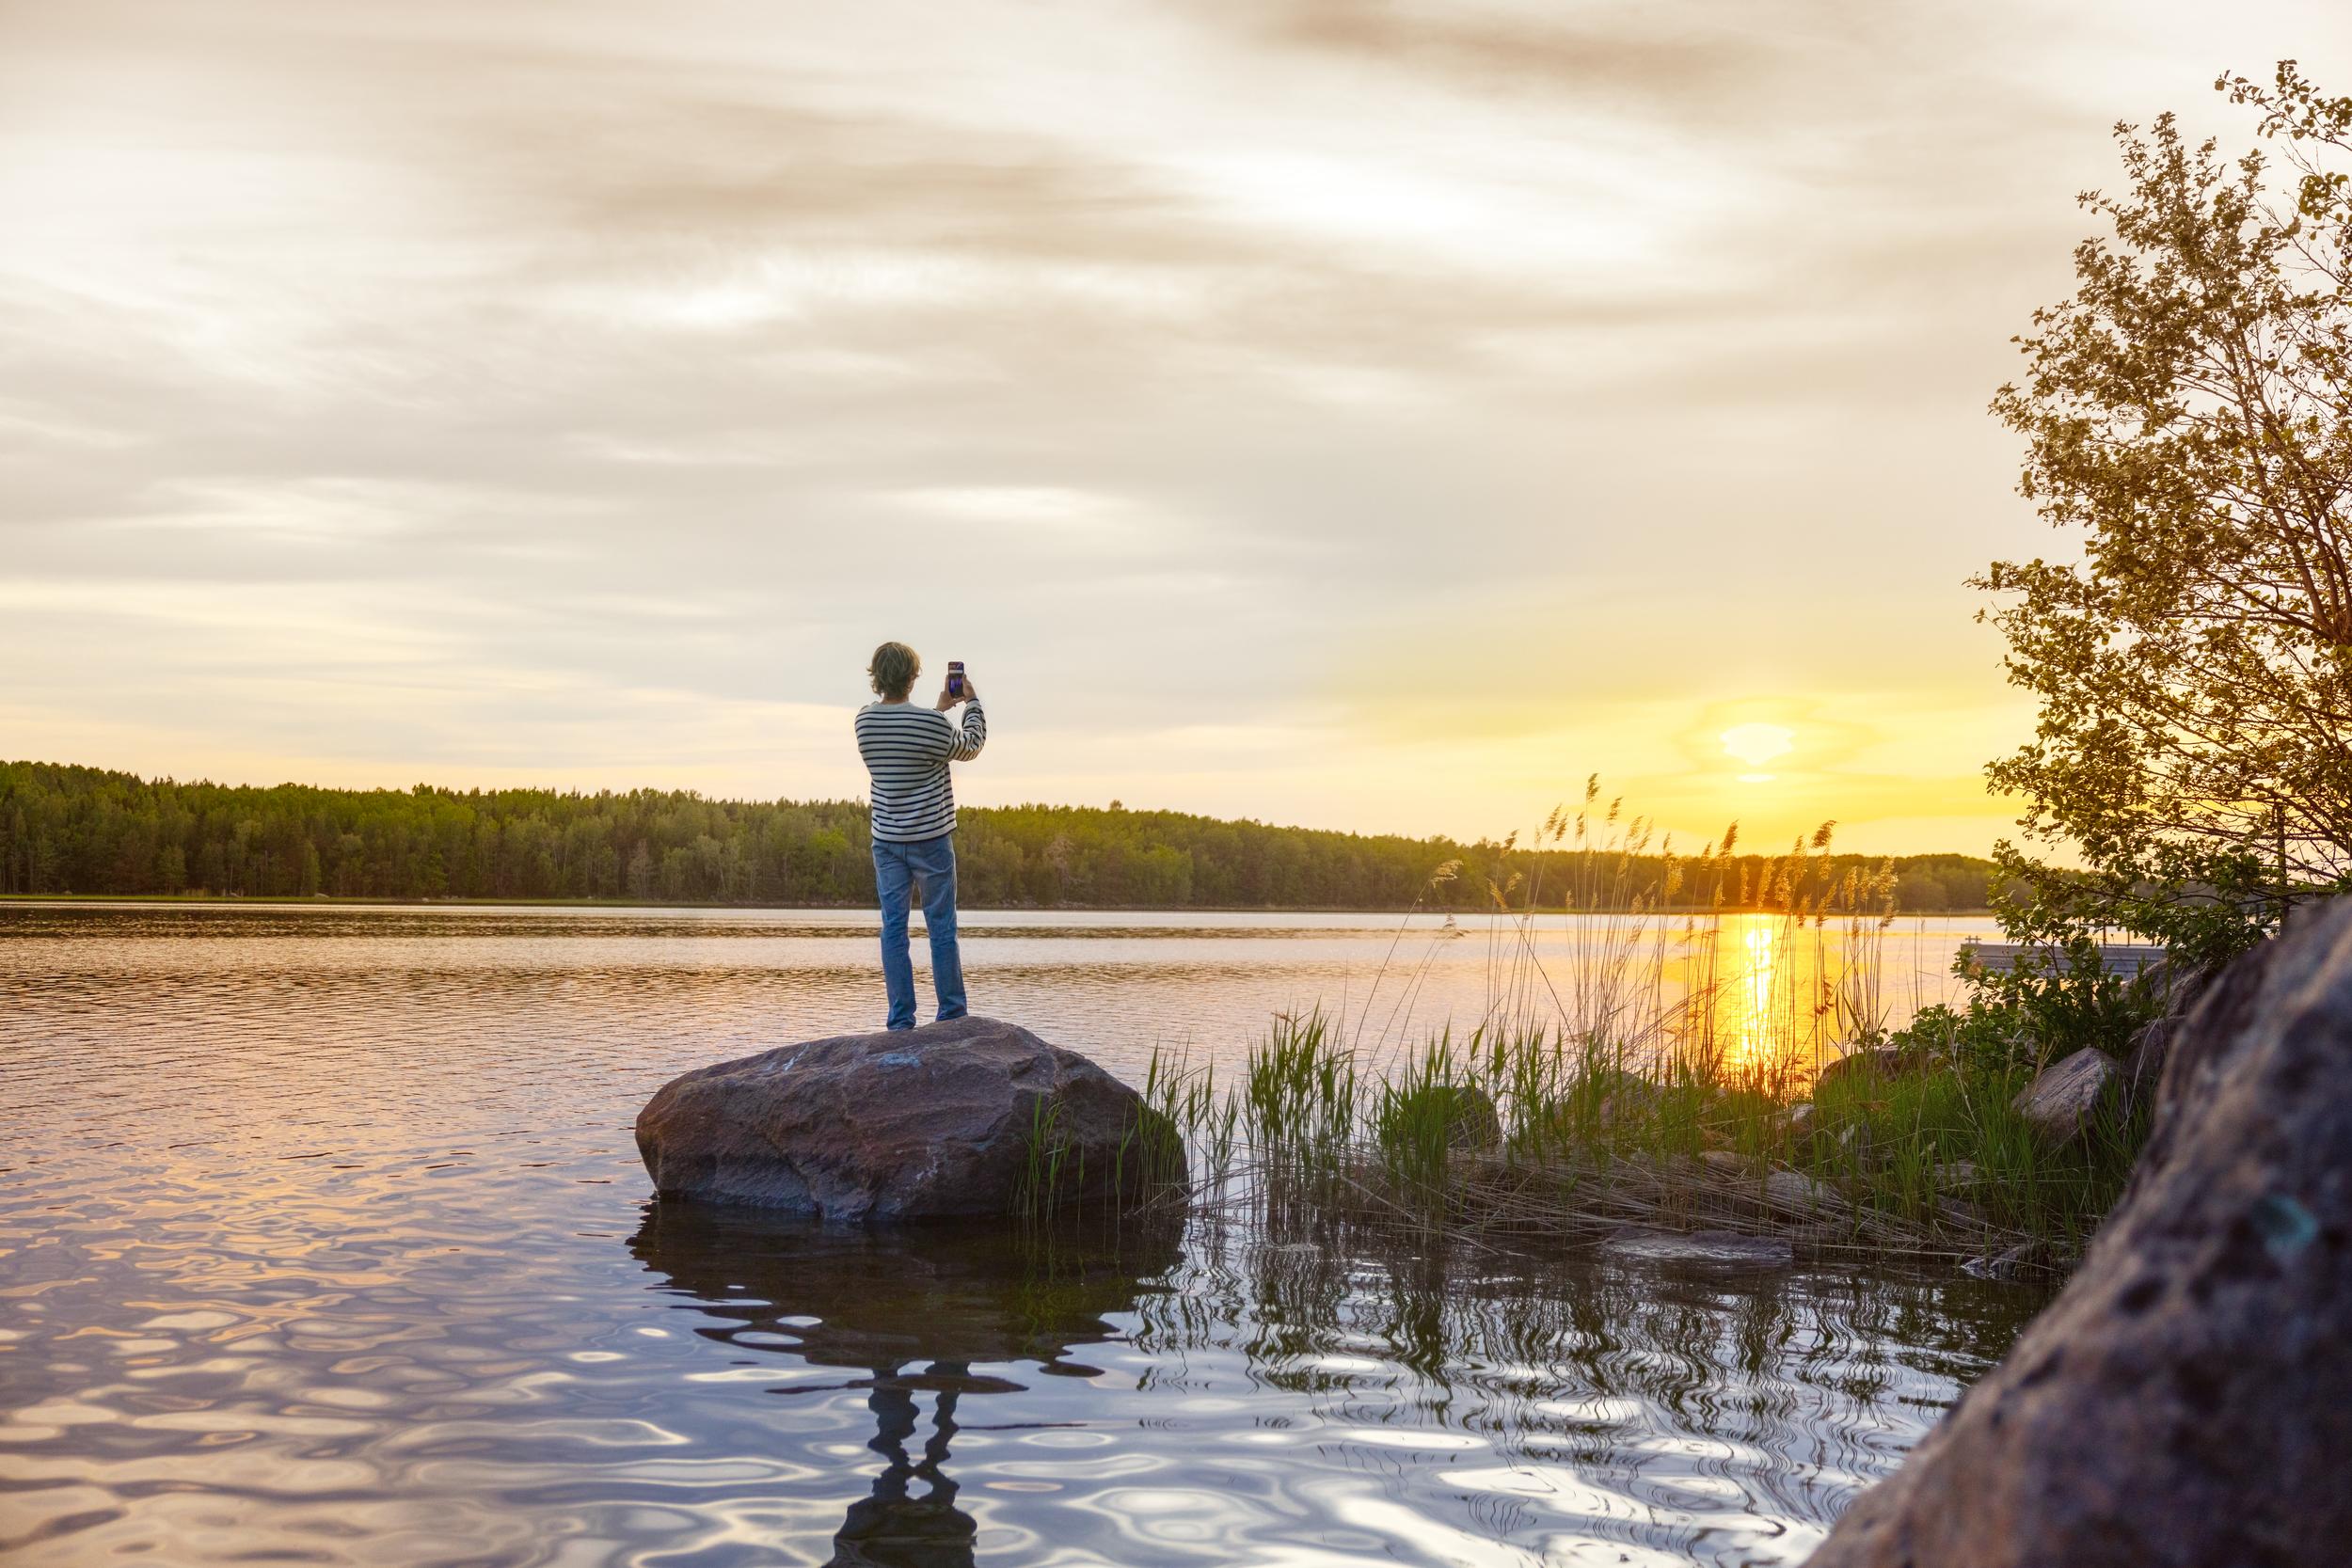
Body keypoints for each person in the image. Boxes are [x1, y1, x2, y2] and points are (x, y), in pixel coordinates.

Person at [854, 641, 986, 1031]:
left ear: (877, 678)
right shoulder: (931, 726)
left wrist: (938, 711)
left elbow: (907, 734)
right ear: (913, 677)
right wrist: (971, 702)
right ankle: (952, 1015)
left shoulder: (864, 722)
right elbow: (971, 745)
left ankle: (900, 1021)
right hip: (931, 840)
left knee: (893, 929)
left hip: (887, 842)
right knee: (941, 927)